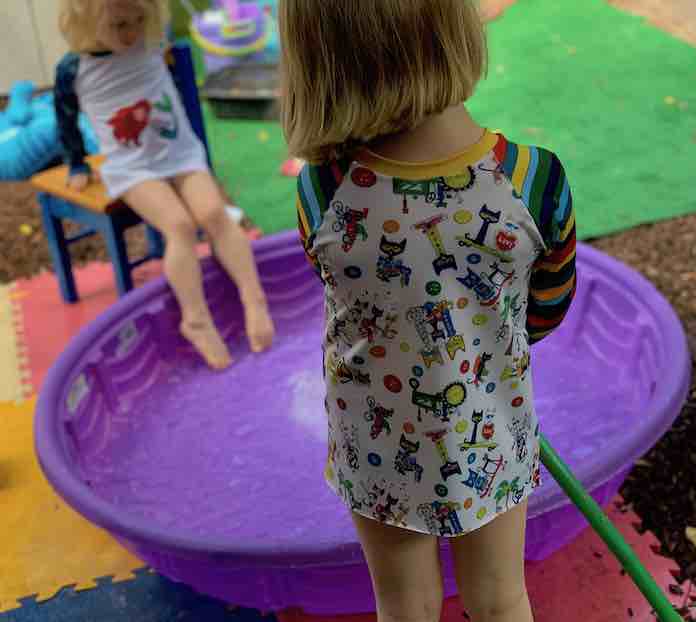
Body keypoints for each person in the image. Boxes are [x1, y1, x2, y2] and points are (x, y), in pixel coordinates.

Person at [280, 2, 577, 621]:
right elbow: (545, 310)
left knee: (403, 606)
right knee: (501, 601)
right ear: (454, 27)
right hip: (489, 431)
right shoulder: (532, 180)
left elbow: (347, 296)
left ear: (318, 56)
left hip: (375, 444)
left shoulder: (324, 189)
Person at [55, 0, 274, 369]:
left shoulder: (153, 42)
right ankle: (196, 318)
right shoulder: (75, 67)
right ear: (87, 19)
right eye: (120, 24)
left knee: (215, 213)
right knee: (180, 225)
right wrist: (76, 162)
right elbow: (64, 118)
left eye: (139, 21)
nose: (131, 32)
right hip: (131, 167)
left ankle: (255, 300)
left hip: (181, 154)